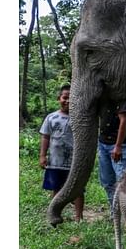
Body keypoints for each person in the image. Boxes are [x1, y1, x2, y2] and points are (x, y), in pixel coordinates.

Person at [39, 84, 84, 222]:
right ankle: (54, 213)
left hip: (74, 162)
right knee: (56, 188)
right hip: (55, 162)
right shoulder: (51, 117)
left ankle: (78, 217)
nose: (68, 101)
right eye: (65, 97)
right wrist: (42, 155)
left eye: (71, 98)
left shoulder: (80, 118)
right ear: (59, 98)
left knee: (78, 189)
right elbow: (45, 137)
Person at [98, 101, 126, 216]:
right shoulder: (101, 100)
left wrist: (118, 146)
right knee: (107, 181)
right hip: (103, 144)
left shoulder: (120, 100)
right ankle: (115, 213)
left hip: (118, 145)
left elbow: (124, 120)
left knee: (123, 180)